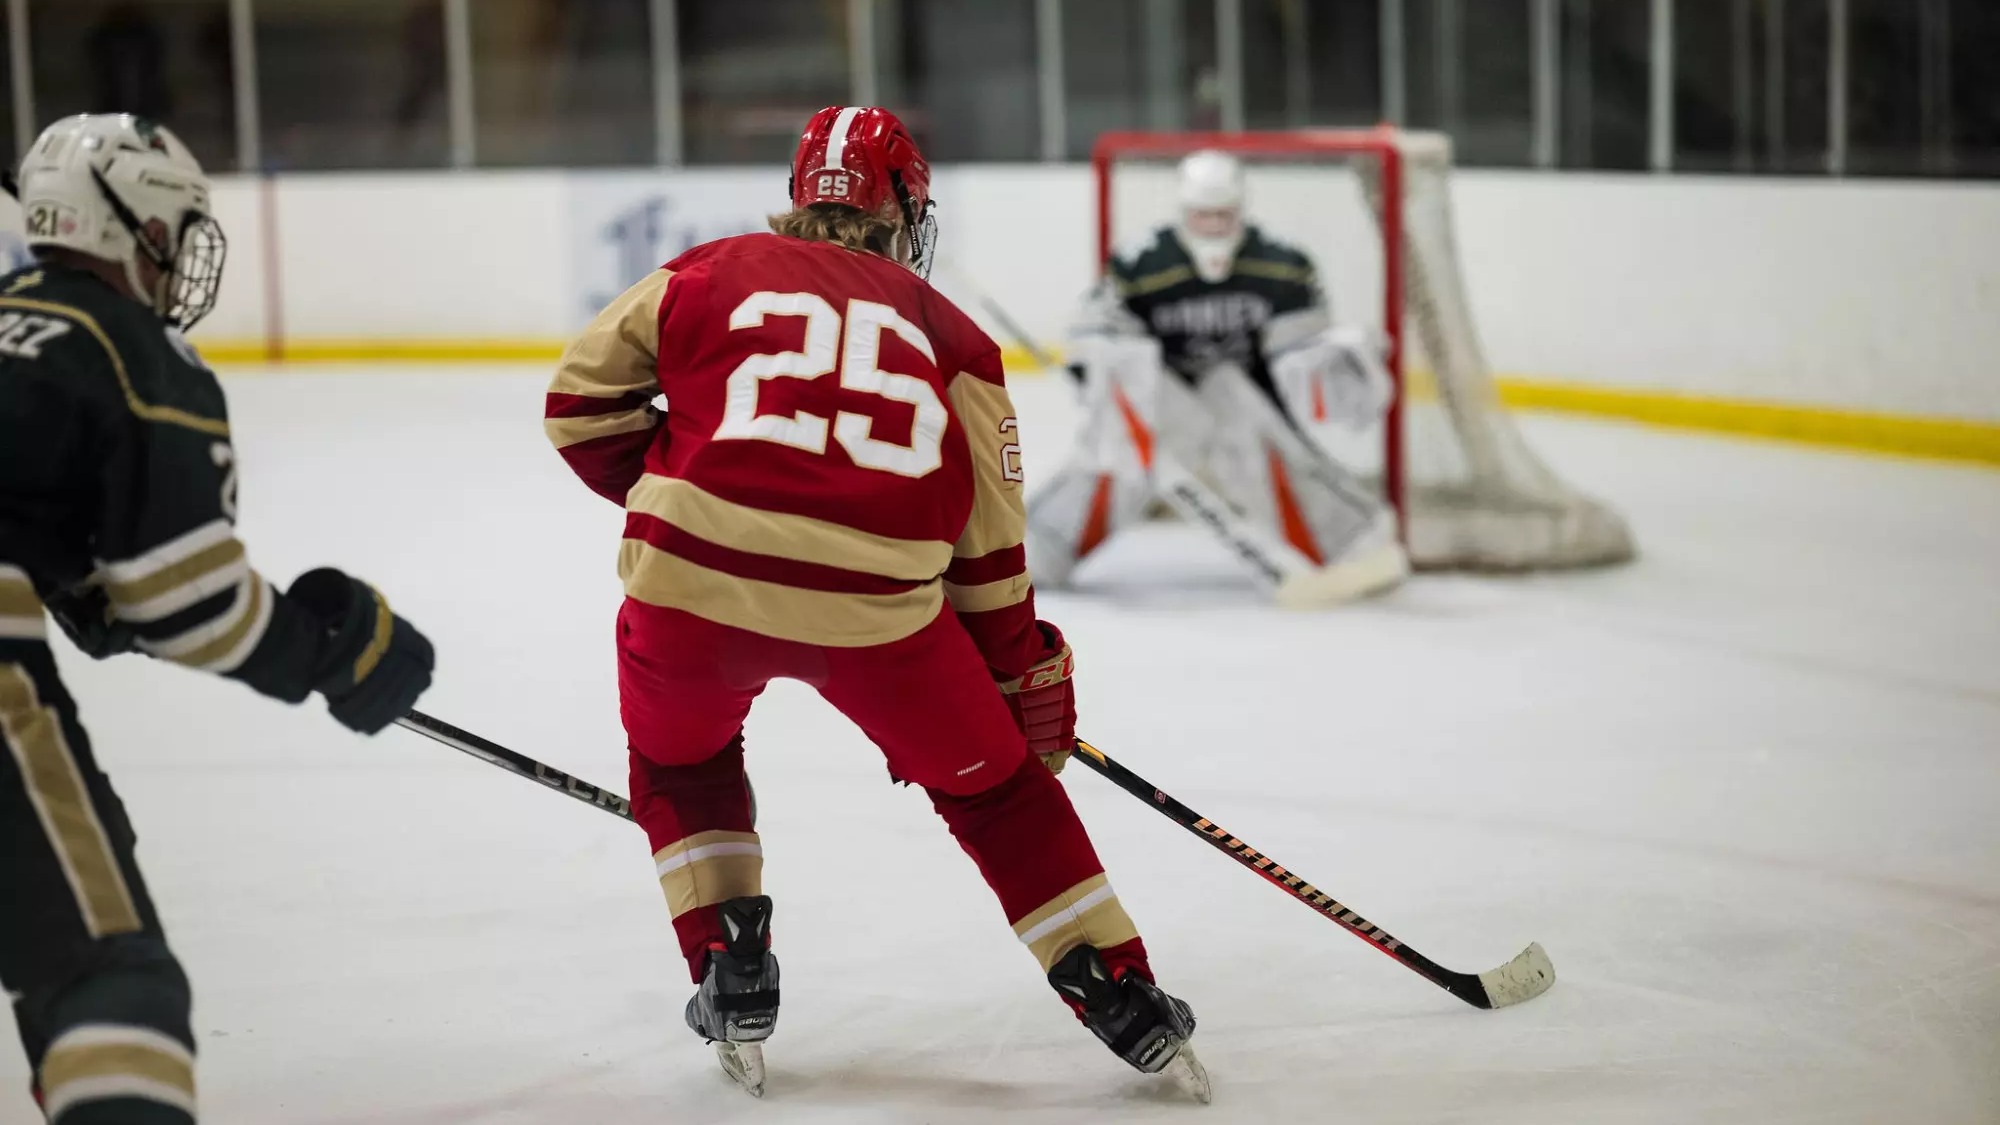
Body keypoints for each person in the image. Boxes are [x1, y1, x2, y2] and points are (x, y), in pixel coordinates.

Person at [543, 105, 1208, 1102]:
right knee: (997, 793)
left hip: (686, 590)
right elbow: (988, 561)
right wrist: (1020, 673)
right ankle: (1117, 988)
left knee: (682, 763)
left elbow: (576, 405)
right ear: (903, 209)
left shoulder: (702, 272)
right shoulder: (957, 340)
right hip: (877, 615)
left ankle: (730, 967)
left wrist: (689, 489)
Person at [0, 114, 436, 1125]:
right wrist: (329, 651)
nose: (175, 259)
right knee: (112, 983)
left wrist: (82, 590)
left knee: (67, 875)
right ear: (132, 227)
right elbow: (192, 607)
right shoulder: (129, 353)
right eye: (170, 229)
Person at [1025, 149, 1406, 604]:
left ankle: (1347, 544)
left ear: (1241, 210)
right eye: (1203, 216)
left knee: (1258, 438)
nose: (1214, 227)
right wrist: (1101, 358)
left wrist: (1331, 361)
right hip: (1163, 400)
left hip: (1246, 403)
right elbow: (1099, 329)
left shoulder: (1280, 265)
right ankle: (1040, 548)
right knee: (1118, 454)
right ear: (1184, 211)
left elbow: (1298, 352)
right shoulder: (1142, 263)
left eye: (1223, 215)